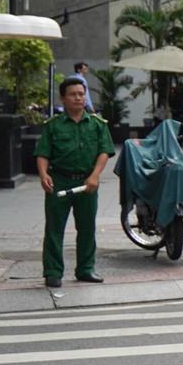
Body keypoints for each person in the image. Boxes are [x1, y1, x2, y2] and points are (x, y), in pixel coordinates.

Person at [34, 74, 115, 289]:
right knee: (54, 228)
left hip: (86, 183)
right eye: (73, 94)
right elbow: (42, 153)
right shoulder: (53, 126)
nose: (78, 98)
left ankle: (86, 269)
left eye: (81, 94)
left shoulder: (97, 124)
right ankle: (52, 272)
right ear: (63, 99)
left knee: (87, 227)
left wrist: (95, 176)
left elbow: (104, 151)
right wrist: (44, 175)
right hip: (59, 181)